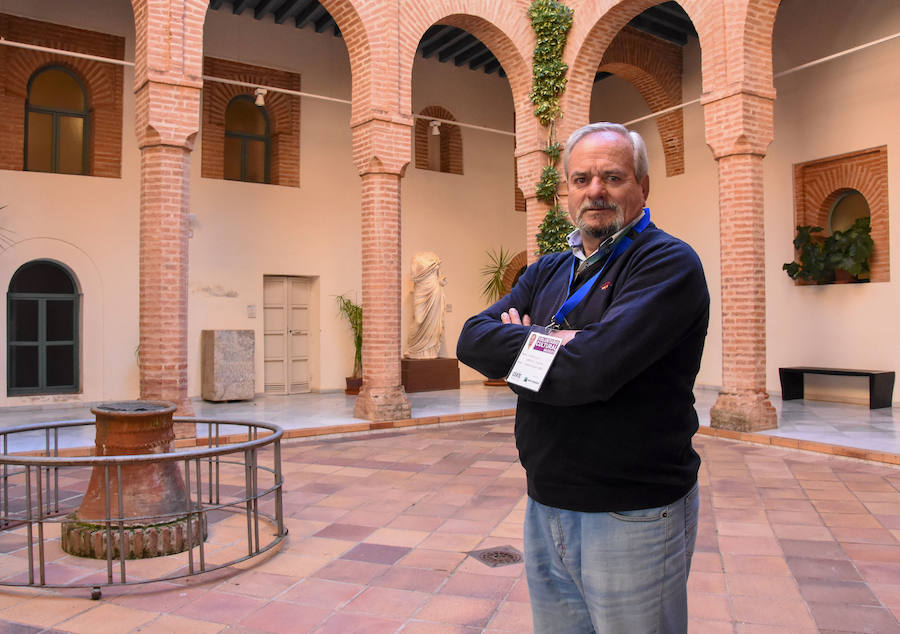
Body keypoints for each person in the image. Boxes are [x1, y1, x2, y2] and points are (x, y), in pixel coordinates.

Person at [457, 122, 709, 633]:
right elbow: (471, 339)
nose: (595, 191)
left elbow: (590, 372)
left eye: (612, 177)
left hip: (632, 511)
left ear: (643, 186)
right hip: (545, 502)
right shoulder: (546, 270)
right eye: (581, 179)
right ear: (568, 191)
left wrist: (531, 347)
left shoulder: (665, 262)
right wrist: (561, 345)